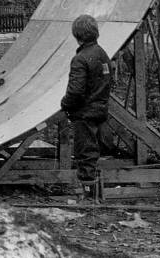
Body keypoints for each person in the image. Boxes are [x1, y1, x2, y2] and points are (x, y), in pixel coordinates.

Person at [60, 14, 112, 198]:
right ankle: (94, 194)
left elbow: (76, 91)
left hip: (85, 113)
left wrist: (65, 104)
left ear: (77, 35)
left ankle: (89, 197)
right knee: (94, 151)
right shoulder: (102, 54)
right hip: (100, 110)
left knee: (85, 153)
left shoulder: (80, 59)